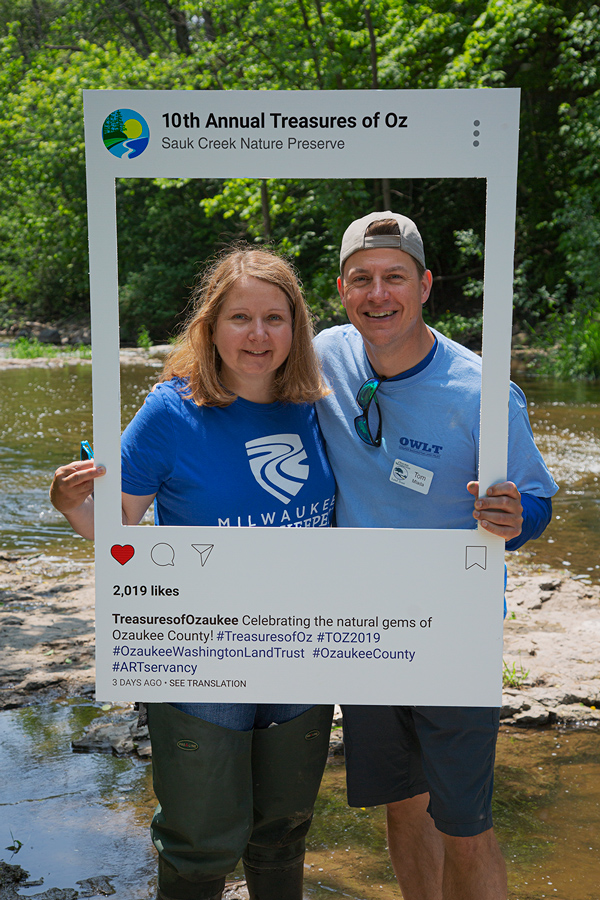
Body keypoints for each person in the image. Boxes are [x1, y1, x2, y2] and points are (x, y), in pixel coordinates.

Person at [50, 247, 336, 900]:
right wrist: (74, 506)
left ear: (296, 328)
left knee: (284, 828)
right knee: (200, 838)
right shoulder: (169, 411)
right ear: (210, 327)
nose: (258, 335)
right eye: (240, 317)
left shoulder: (318, 405)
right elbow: (120, 531)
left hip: (303, 643)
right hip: (199, 647)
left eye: (275, 318)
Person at [313, 212, 558, 900]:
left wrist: (514, 516)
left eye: (394, 277)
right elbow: (236, 362)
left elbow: (536, 504)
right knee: (402, 803)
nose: (377, 293)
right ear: (341, 289)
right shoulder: (325, 354)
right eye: (362, 279)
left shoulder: (481, 390)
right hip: (362, 627)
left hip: (453, 627)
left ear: (424, 285)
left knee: (465, 822)